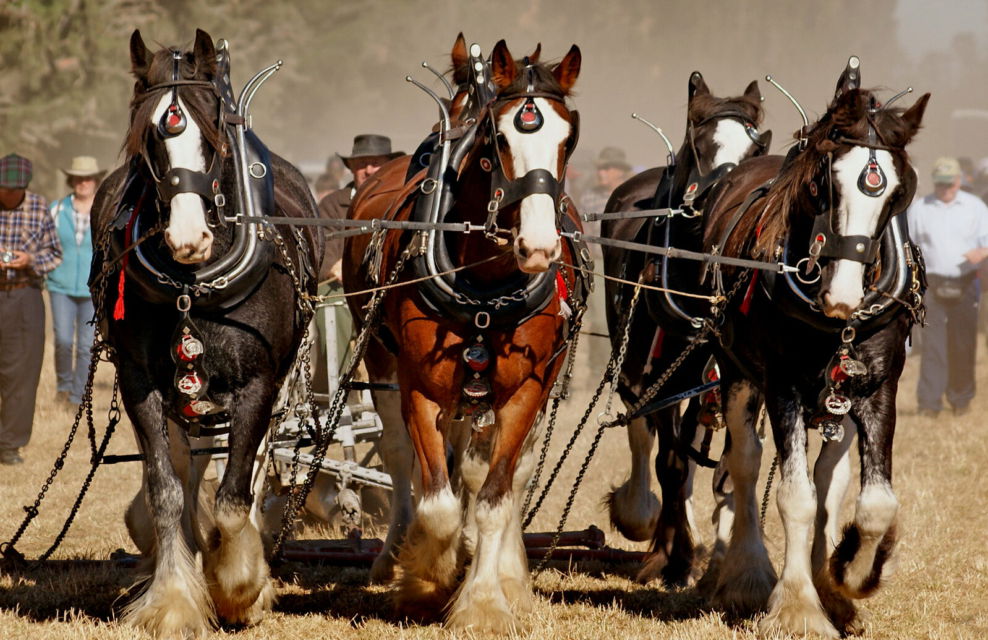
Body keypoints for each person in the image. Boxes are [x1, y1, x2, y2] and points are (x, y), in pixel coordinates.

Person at [315, 135, 402, 384]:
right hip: (344, 289)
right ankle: (341, 385)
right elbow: (322, 251)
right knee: (332, 303)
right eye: (362, 163)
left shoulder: (401, 202)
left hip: (391, 288)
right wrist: (338, 268)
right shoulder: (333, 204)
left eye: (376, 163)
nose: (369, 170)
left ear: (389, 167)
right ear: (352, 168)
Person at [907, 157, 988, 418]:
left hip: (965, 282)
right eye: (940, 184)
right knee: (932, 345)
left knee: (963, 343)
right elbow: (909, 245)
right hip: (931, 284)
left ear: (959, 181)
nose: (945, 189)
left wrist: (982, 252)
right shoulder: (920, 209)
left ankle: (961, 398)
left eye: (949, 184)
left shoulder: (975, 207)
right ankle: (929, 403)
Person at [0, 154, 62, 464]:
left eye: (14, 190)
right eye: (4, 188)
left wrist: (30, 260)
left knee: (22, 372)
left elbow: (55, 253)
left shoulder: (39, 207)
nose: (8, 195)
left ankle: (9, 444)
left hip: (25, 294)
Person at [48, 156, 104, 406]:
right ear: (72, 180)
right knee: (62, 341)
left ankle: (77, 396)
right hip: (60, 285)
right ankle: (63, 386)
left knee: (85, 346)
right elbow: (42, 241)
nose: (83, 182)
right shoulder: (57, 209)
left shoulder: (104, 210)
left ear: (95, 180)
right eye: (79, 178)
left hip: (91, 288)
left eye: (88, 178)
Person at [579, 146, 634, 218]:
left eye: (606, 168)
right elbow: (581, 223)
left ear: (621, 171)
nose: (600, 172)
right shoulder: (589, 197)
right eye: (599, 168)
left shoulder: (633, 196)